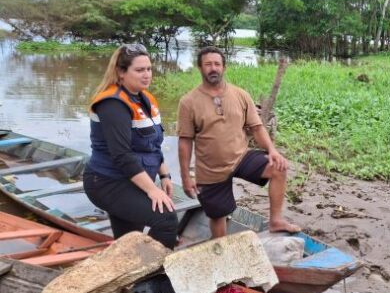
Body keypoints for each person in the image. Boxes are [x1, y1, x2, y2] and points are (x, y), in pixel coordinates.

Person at [177, 46, 299, 238]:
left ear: (224, 68)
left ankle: (276, 221)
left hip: (241, 157)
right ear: (200, 68)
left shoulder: (240, 94)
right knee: (218, 217)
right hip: (210, 170)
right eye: (208, 64)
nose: (213, 68)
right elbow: (185, 141)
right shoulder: (188, 102)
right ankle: (224, 252)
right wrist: (185, 177)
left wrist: (272, 151)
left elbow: (257, 128)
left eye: (217, 64)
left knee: (278, 167)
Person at [84, 44, 178, 249]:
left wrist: (164, 175)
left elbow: (152, 144)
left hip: (133, 180)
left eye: (149, 69)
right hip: (108, 182)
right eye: (139, 70)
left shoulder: (145, 98)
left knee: (128, 240)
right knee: (167, 219)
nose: (147, 75)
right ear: (121, 72)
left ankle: (129, 272)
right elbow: (122, 156)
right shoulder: (113, 104)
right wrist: (152, 190)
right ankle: (154, 277)